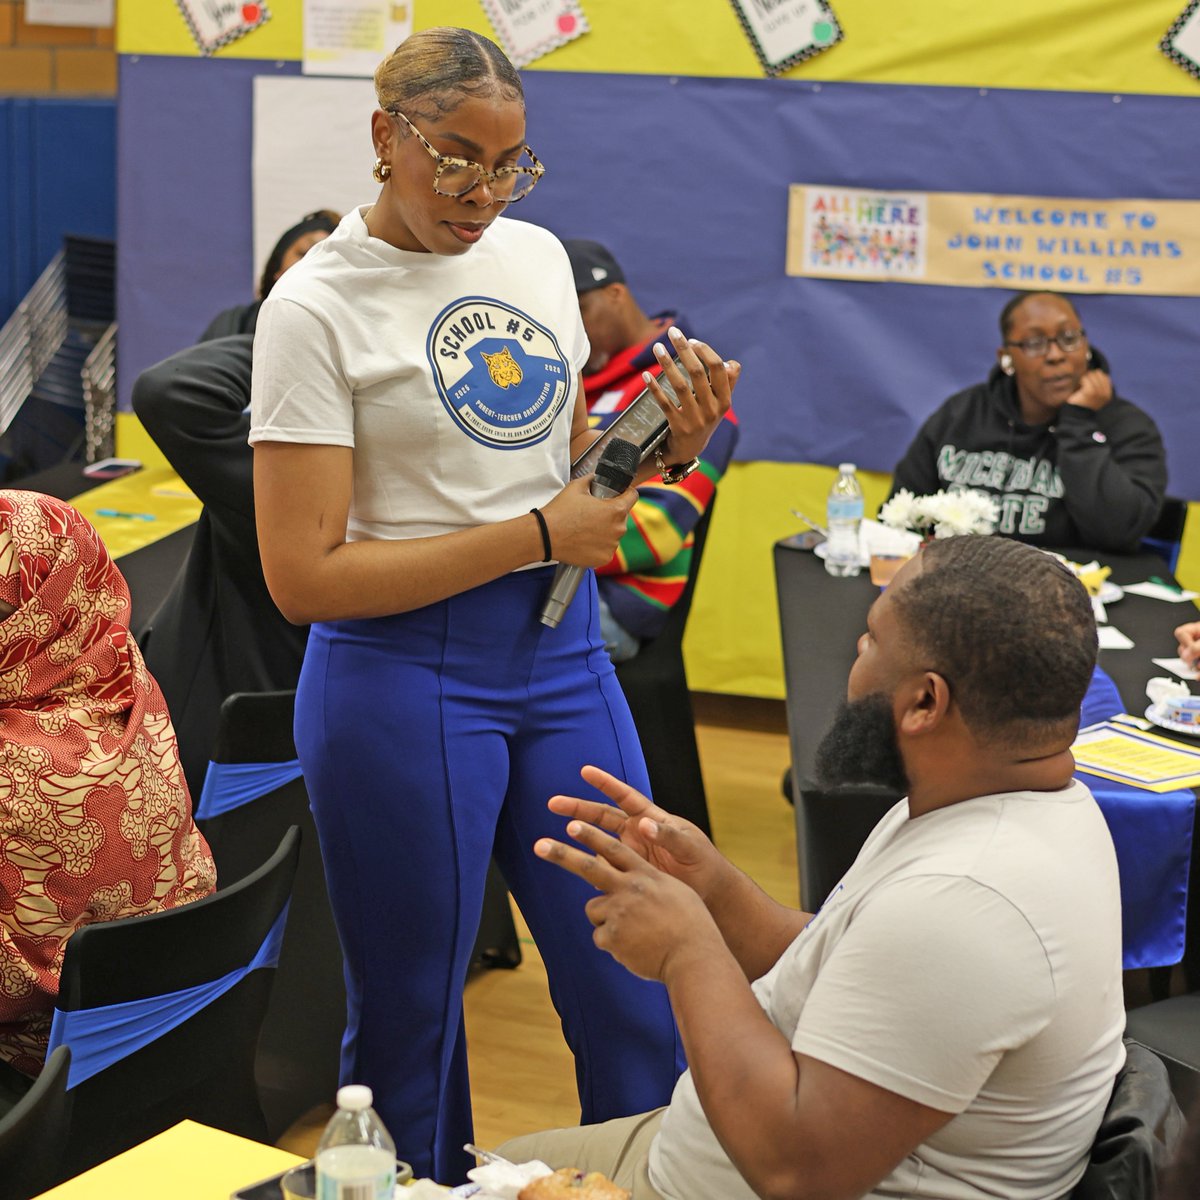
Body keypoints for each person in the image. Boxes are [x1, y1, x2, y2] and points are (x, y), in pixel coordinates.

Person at [248, 27, 736, 1183]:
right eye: (457, 158)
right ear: (386, 135)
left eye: (511, 163)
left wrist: (662, 446)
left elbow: (560, 465)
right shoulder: (314, 308)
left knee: (637, 985)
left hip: (561, 656)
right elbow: (303, 578)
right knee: (412, 1022)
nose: (484, 192)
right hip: (399, 673)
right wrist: (538, 536)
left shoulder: (534, 258)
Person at [505, 534, 1124, 1199]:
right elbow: (851, 971)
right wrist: (714, 890)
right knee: (489, 1166)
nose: (856, 648)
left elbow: (797, 1174)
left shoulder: (964, 900)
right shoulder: (1016, 806)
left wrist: (687, 950)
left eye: (872, 637)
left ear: (925, 703)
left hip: (731, 1176)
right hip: (695, 1149)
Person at [0, 490, 215, 1090]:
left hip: (43, 1064)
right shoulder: (122, 675)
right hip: (169, 1014)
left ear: (34, 619)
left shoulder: (20, 762)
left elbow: (16, 987)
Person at [133, 336, 309, 798]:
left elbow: (172, 391)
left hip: (212, 741)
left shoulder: (293, 486)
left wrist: (303, 329)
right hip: (325, 730)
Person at [562, 239, 739, 662]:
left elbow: (656, 531)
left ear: (615, 294)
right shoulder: (570, 380)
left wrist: (522, 549)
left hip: (613, 603)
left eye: (578, 311)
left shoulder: (692, 398)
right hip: (552, 574)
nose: (571, 331)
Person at [889, 291, 1166, 553]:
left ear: (1086, 347)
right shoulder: (962, 415)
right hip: (963, 576)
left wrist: (1079, 425)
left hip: (1073, 582)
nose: (1056, 355)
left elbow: (1121, 533)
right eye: (1034, 343)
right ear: (1006, 359)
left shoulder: (1127, 426)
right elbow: (901, 514)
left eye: (1069, 338)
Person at [200, 210, 341, 341]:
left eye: (325, 261)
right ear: (277, 266)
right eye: (304, 254)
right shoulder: (232, 324)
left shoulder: (340, 338)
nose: (312, 266)